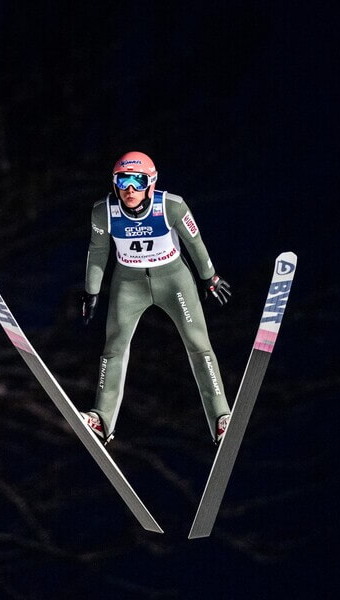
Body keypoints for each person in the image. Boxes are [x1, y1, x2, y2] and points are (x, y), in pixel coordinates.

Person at [80, 151, 232, 445]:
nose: (130, 189)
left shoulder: (171, 206)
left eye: (137, 181)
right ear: (114, 184)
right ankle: (101, 419)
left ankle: (221, 417)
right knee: (113, 348)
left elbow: (194, 241)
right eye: (123, 181)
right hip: (129, 283)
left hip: (174, 281)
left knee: (199, 345)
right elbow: (98, 252)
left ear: (151, 183)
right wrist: (92, 291)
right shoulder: (103, 212)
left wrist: (209, 276)